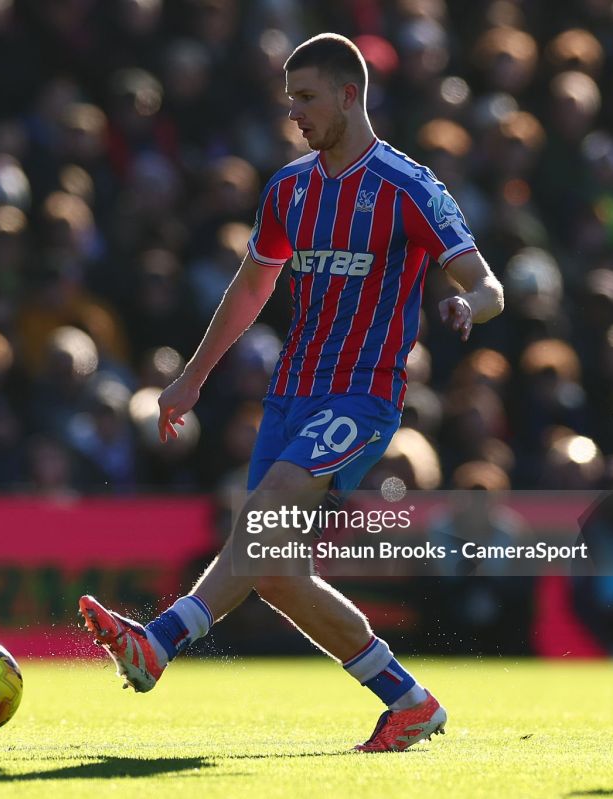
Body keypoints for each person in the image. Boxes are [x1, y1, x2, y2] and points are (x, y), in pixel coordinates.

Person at [80, 34, 504, 752]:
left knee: (265, 514)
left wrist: (469, 304)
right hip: (290, 396)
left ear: (348, 94)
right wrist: (192, 376)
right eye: (289, 100)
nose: (295, 114)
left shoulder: (407, 186)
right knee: (274, 572)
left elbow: (487, 282)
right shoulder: (288, 189)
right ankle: (409, 701)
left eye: (306, 98)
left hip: (361, 396)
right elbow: (252, 287)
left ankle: (158, 641)